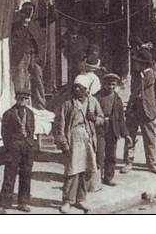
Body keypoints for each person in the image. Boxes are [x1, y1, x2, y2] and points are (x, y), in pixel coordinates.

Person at [53, 76, 104, 214]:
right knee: (72, 171)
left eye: (79, 87)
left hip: (87, 139)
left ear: (86, 89)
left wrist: (94, 119)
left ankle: (81, 199)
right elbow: (60, 125)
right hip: (73, 139)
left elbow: (101, 119)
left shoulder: (93, 102)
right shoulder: (67, 104)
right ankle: (67, 201)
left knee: (86, 170)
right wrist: (64, 143)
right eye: (75, 87)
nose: (76, 89)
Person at [123, 49, 156, 175]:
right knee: (130, 138)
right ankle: (128, 162)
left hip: (147, 112)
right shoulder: (136, 76)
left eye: (137, 62)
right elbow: (132, 92)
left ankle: (151, 163)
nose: (135, 64)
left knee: (149, 139)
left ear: (144, 64)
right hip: (133, 111)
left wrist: (154, 109)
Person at [0, 91, 35, 213]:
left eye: (26, 98)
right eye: (21, 98)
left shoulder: (30, 113)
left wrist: (29, 143)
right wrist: (9, 148)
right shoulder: (8, 114)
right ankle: (4, 204)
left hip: (27, 148)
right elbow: (4, 133)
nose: (23, 100)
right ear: (16, 98)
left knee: (26, 175)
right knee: (9, 175)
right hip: (13, 149)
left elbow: (31, 130)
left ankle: (23, 202)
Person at [10, 2, 46, 109]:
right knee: (21, 79)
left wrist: (50, 3)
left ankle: (40, 106)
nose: (29, 13)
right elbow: (16, 41)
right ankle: (21, 105)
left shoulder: (36, 24)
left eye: (31, 10)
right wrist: (23, 25)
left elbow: (52, 17)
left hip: (34, 56)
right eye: (27, 10)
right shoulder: (17, 26)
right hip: (22, 56)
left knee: (38, 79)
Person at [94, 73, 126, 187]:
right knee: (99, 153)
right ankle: (97, 178)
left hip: (113, 129)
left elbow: (121, 117)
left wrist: (125, 133)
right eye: (108, 84)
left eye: (113, 85)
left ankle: (109, 177)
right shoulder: (97, 97)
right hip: (100, 129)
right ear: (104, 84)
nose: (111, 87)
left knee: (111, 154)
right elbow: (91, 113)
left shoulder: (117, 98)